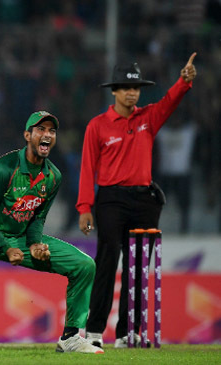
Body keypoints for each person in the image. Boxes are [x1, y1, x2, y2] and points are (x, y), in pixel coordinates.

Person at [0, 111, 102, 354]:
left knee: (84, 265)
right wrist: (6, 248)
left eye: (52, 131)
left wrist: (34, 244)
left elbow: (38, 216)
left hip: (21, 237)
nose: (47, 135)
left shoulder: (53, 176)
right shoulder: (2, 169)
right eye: (40, 130)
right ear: (27, 135)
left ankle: (71, 337)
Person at [79, 54, 197, 348]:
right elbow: (87, 168)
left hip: (144, 200)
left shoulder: (148, 118)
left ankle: (126, 333)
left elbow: (169, 102)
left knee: (138, 268)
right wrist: (84, 208)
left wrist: (184, 81)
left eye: (136, 88)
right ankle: (94, 333)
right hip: (111, 200)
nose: (132, 93)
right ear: (114, 92)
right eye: (126, 88)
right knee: (107, 262)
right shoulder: (98, 126)